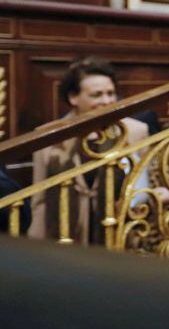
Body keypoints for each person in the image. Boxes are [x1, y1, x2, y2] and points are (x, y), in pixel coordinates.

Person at [28, 57, 151, 244]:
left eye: (111, 93)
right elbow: (40, 203)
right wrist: (35, 247)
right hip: (66, 242)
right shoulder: (47, 137)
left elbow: (143, 189)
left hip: (118, 240)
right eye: (97, 95)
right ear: (73, 97)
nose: (106, 100)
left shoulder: (135, 131)